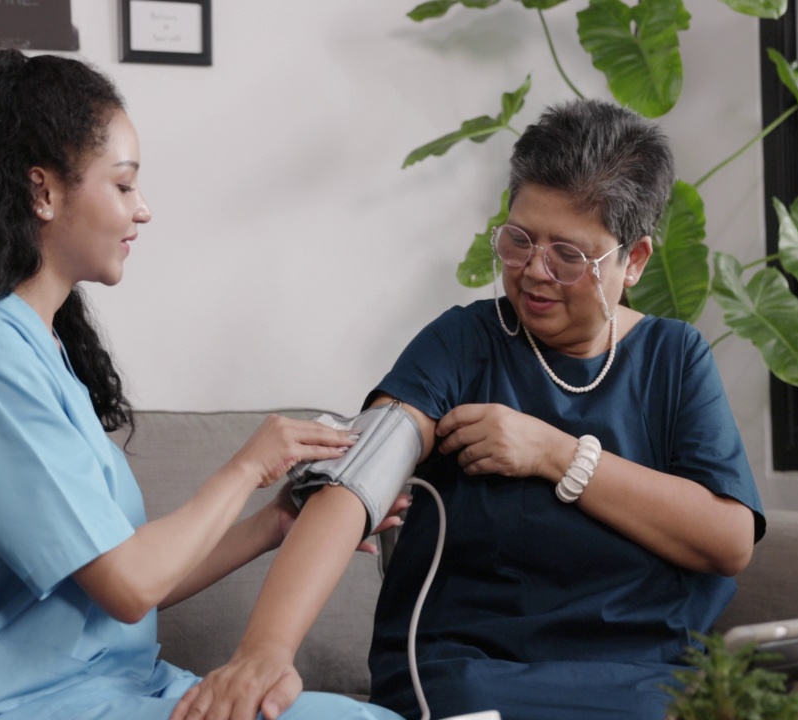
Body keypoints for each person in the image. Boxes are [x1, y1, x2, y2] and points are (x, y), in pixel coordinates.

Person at [170, 99, 765, 720]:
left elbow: (727, 539)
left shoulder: (675, 358)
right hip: (475, 673)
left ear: (633, 261)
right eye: (519, 239)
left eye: (568, 256)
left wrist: (556, 454)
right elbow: (354, 479)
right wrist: (265, 651)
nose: (533, 271)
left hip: (646, 680)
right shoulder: (463, 344)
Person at [0, 49, 404, 720]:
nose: (142, 210)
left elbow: (115, 586)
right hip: (9, 707)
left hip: (116, 692)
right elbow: (129, 583)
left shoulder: (36, 349)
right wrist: (247, 466)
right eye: (122, 186)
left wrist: (275, 523)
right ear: (44, 192)